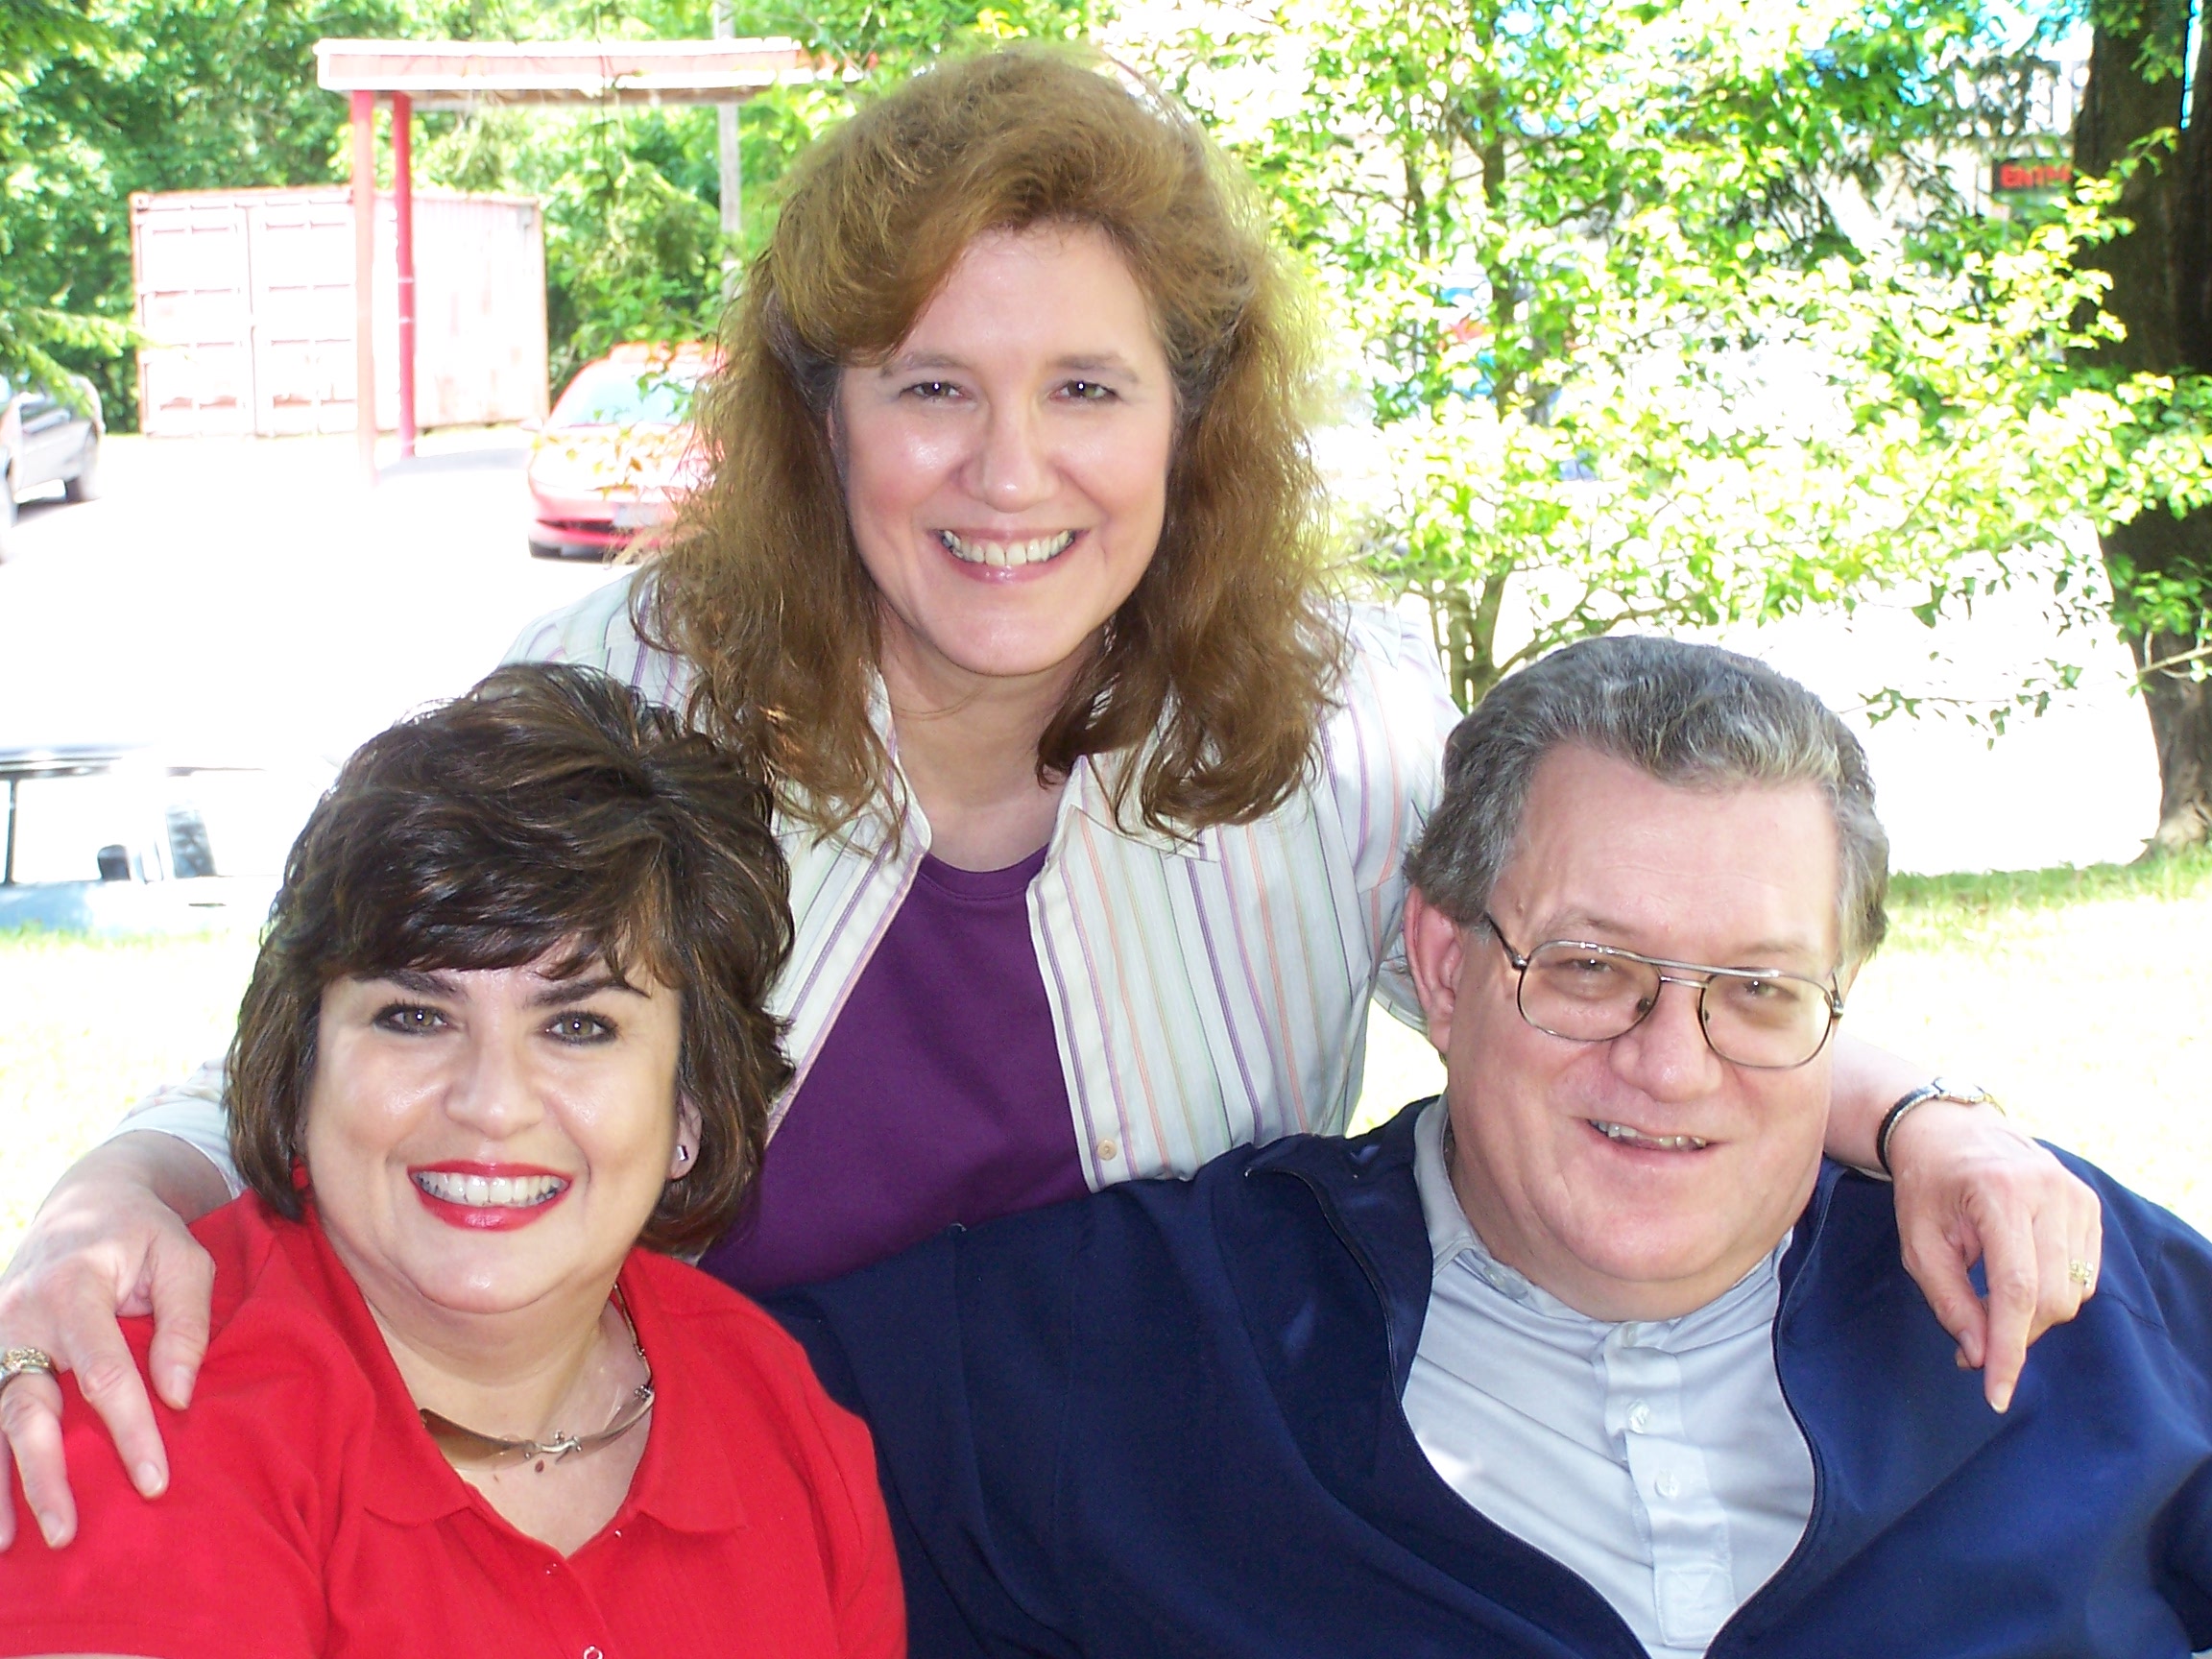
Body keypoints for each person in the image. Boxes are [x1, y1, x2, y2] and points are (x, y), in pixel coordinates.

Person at [0, 46, 2097, 1553]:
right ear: (822, 419)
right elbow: (354, 1047)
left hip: (1148, 1556)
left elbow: (1593, 973)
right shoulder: (625, 690)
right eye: (931, 386)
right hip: (689, 1543)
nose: (1007, 474)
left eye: (1085, 388)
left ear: (1191, 419)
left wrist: (1929, 1117)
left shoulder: (1327, 713)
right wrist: (101, 1207)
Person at [772, 636, 2205, 1659]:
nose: (1670, 1062)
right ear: (1445, 970)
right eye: (1589, 969)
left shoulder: (2065, 1287)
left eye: (1758, 991)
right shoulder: (1137, 1344)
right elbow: (683, 1434)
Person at [0, 665, 903, 1658]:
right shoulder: (141, 1412)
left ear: (688, 1102)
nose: (493, 1103)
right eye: (414, 1016)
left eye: (579, 1025)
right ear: (303, 1066)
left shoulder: (778, 1411)